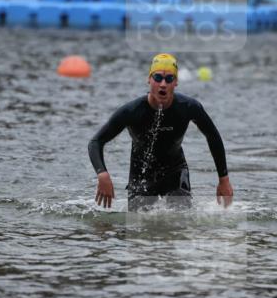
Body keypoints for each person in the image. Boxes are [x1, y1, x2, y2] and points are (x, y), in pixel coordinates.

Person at [89, 53, 233, 211]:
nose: (163, 84)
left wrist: (223, 179)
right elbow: (96, 142)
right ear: (149, 79)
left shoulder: (188, 107)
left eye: (169, 79)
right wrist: (102, 175)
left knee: (179, 220)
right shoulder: (131, 111)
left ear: (176, 82)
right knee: (139, 227)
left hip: (175, 171)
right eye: (157, 78)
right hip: (141, 175)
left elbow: (213, 136)